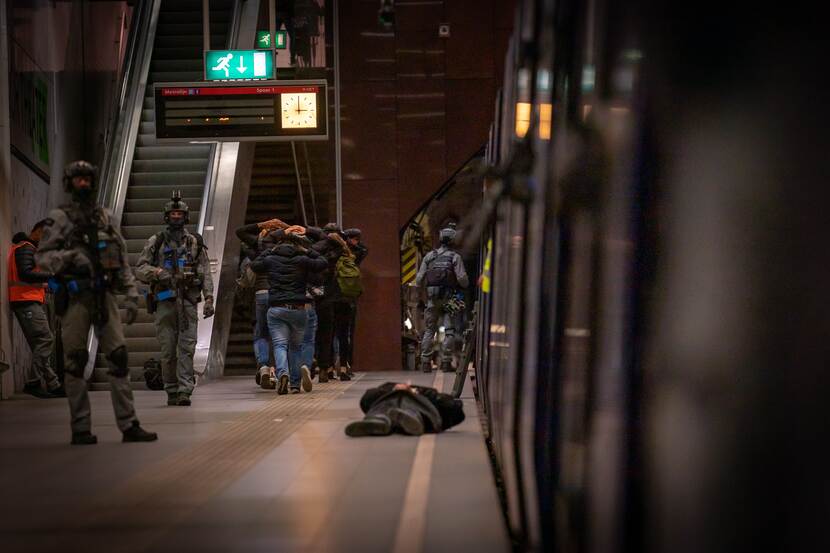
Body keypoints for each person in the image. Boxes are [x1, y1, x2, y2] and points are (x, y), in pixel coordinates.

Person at [36, 160, 157, 445]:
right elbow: (42, 258)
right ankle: (80, 428)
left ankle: (129, 425)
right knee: (75, 362)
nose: (83, 184)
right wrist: (70, 259)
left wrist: (130, 295)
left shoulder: (106, 218)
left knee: (118, 358)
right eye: (77, 179)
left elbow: (122, 259)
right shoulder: (60, 218)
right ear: (69, 183)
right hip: (77, 297)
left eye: (87, 178)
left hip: (105, 296)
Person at [135, 192, 214, 407]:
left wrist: (209, 298)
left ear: (186, 216)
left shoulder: (194, 242)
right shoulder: (157, 241)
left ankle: (185, 390)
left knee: (187, 348)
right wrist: (158, 273)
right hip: (165, 301)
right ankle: (171, 388)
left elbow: (205, 271)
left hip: (188, 302)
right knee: (168, 350)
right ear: (166, 216)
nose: (176, 216)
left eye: (180, 213)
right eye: (173, 213)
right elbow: (140, 268)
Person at [251, 229, 327, 394]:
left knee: (279, 345)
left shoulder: (270, 259)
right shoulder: (302, 259)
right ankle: (294, 384)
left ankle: (282, 373)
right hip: (298, 309)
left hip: (277, 308)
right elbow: (323, 262)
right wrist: (307, 250)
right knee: (295, 347)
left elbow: (255, 265)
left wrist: (269, 250)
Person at [7, 220, 63, 398]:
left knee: (40, 344)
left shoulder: (27, 248)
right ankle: (34, 382)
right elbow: (26, 273)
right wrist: (52, 274)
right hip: (25, 301)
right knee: (46, 339)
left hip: (28, 300)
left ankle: (53, 384)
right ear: (38, 231)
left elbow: (28, 275)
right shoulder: (26, 248)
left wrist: (46, 285)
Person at [235, 218, 289, 387]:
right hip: (280, 293)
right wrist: (288, 228)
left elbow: (240, 231)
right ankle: (278, 370)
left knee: (261, 333)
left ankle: (264, 366)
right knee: (279, 335)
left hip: (261, 293)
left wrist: (260, 225)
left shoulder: (258, 243)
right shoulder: (287, 244)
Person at [415, 223, 469, 373]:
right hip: (449, 299)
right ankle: (445, 362)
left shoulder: (429, 256)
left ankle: (425, 363)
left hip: (432, 299)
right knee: (449, 330)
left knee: (429, 331)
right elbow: (463, 279)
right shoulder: (455, 257)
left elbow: (419, 280)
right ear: (452, 240)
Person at [307, 223, 350, 382]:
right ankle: (325, 368)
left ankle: (310, 361)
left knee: (309, 333)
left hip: (310, 295)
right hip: (330, 296)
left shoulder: (311, 248)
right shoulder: (340, 250)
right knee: (327, 332)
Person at [344, 381, 465, 437]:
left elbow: (450, 407)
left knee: (387, 408)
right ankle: (398, 420)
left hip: (413, 406)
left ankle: (379, 420)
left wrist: (415, 391)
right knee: (387, 404)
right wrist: (401, 389)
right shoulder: (437, 400)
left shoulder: (438, 402)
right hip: (394, 401)